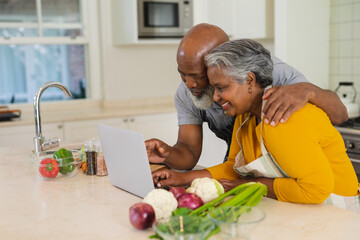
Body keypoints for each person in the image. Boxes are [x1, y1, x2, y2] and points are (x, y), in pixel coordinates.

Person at [152, 39, 360, 213]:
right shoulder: (244, 119)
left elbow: (316, 190)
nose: (215, 97)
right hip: (303, 208)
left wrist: (248, 185)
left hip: (338, 213)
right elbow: (232, 168)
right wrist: (180, 178)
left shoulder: (281, 117)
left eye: (221, 88)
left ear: (250, 81)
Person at [145, 23, 348, 171]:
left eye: (198, 76)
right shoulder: (186, 93)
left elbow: (340, 115)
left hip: (293, 166)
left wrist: (308, 90)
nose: (189, 84)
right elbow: (189, 151)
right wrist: (167, 153)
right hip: (243, 162)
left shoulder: (272, 72)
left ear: (220, 64)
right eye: (182, 74)